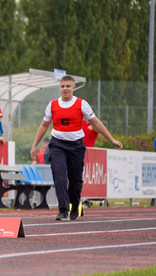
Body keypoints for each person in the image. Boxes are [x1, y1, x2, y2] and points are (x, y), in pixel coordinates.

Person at [30, 76, 122, 221]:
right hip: (57, 144)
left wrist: (111, 139)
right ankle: (63, 209)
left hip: (76, 146)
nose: (65, 89)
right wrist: (34, 145)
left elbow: (96, 123)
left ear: (73, 88)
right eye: (62, 86)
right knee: (59, 175)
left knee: (75, 179)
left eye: (68, 86)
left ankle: (74, 204)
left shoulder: (82, 104)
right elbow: (43, 126)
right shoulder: (52, 105)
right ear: (59, 88)